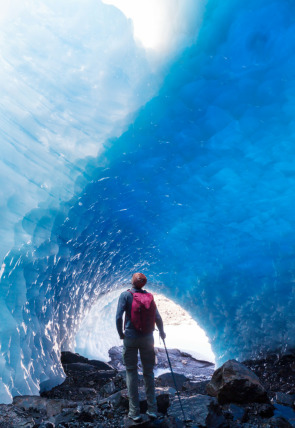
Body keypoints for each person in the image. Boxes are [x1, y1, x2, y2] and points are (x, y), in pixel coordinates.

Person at [116, 272, 166, 422]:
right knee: (148, 372)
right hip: (148, 338)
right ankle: (152, 410)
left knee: (131, 372)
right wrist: (162, 332)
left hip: (130, 338)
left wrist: (121, 334)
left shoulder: (125, 295)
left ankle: (134, 412)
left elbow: (118, 317)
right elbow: (157, 317)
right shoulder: (149, 296)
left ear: (132, 282)